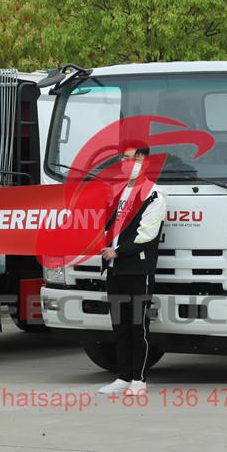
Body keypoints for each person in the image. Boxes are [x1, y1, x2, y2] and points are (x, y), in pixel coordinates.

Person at [97, 144, 166, 396]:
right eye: (124, 158)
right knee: (120, 326)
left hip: (137, 270)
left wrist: (118, 251)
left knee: (139, 326)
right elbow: (109, 226)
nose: (126, 163)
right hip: (115, 271)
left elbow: (146, 233)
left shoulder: (154, 195)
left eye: (131, 158)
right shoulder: (121, 192)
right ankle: (123, 377)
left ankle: (139, 378)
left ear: (145, 163)